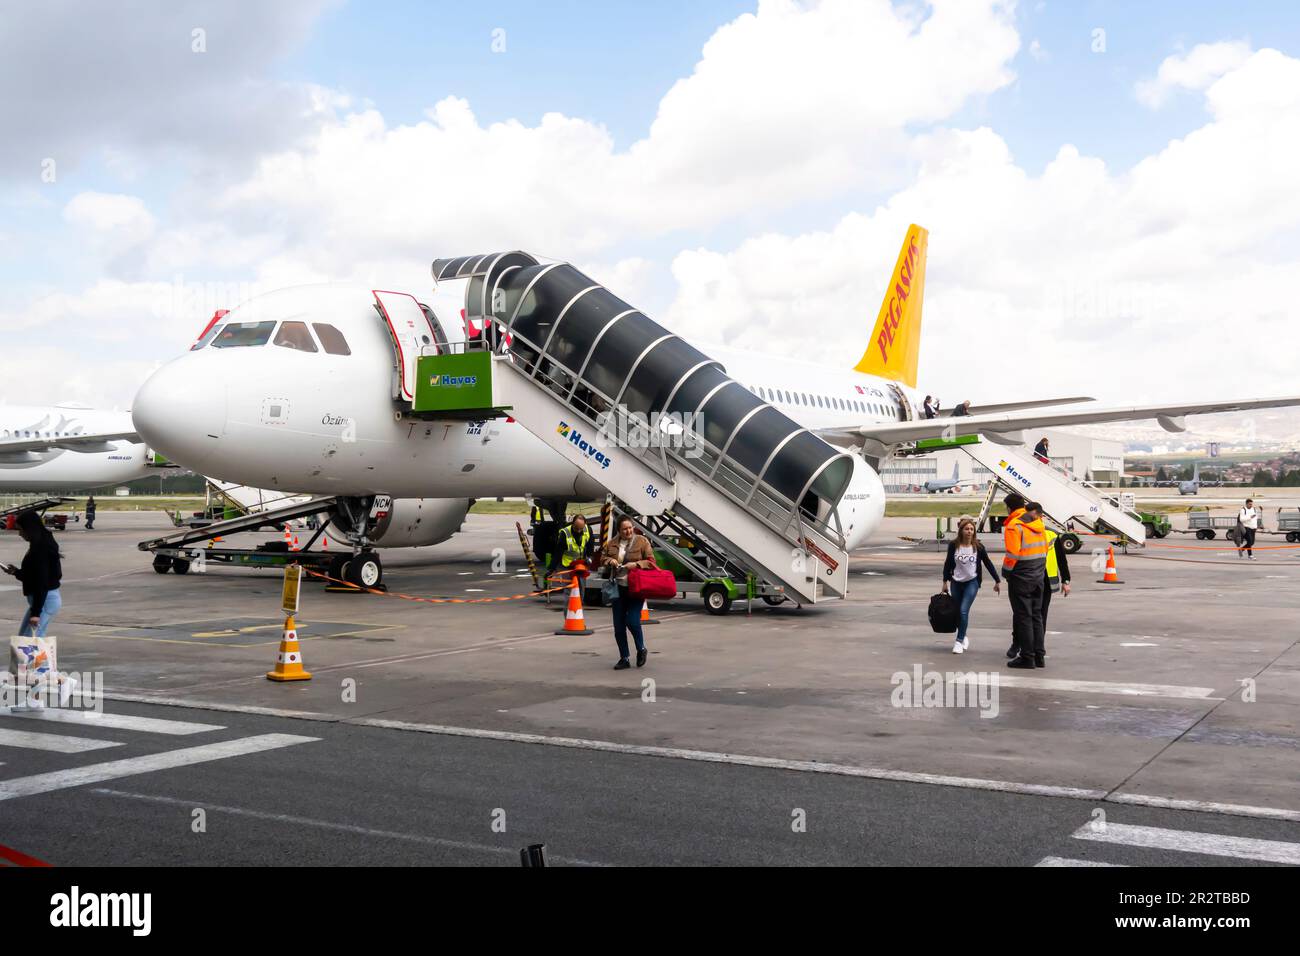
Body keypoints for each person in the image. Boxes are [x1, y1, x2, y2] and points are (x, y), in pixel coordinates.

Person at [1012, 501, 1070, 668]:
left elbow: (1061, 560)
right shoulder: (1026, 530)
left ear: (1040, 516)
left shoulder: (1051, 534)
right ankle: (1034, 652)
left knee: (1036, 618)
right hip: (1035, 578)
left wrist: (1066, 580)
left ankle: (1032, 652)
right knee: (1032, 618)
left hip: (1044, 581)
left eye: (1033, 515)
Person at [599, 517, 656, 670]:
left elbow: (651, 562)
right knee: (618, 626)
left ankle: (641, 649)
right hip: (618, 588)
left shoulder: (642, 542)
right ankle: (624, 658)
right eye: (625, 529)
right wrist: (609, 561)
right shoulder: (612, 543)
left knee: (632, 621)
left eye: (630, 527)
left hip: (636, 588)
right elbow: (602, 559)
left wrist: (636, 564)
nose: (628, 531)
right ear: (619, 530)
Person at [1000, 492, 1048, 669]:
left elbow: (1012, 554)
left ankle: (1027, 657)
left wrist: (1006, 572)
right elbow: (1044, 549)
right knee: (1036, 616)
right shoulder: (1038, 523)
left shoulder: (1014, 525)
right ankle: (1039, 656)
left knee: (1023, 617)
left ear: (1009, 508)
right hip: (1038, 575)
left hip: (1021, 576)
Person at [942, 517, 1001, 654]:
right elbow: (948, 563)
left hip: (972, 582)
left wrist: (997, 580)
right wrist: (945, 582)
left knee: (963, 610)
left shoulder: (978, 547)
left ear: (974, 532)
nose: (969, 531)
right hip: (956, 582)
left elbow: (988, 563)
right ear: (961, 531)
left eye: (971, 529)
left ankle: (958, 641)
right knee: (957, 612)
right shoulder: (954, 545)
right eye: (966, 529)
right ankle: (964, 636)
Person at [5, 510, 63, 638]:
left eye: (21, 530)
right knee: (24, 640)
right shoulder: (41, 541)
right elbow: (34, 576)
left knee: (31, 643)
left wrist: (36, 613)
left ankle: (42, 659)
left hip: (44, 601)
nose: (20, 534)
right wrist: (16, 572)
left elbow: (42, 582)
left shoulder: (40, 548)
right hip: (41, 601)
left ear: (30, 528)